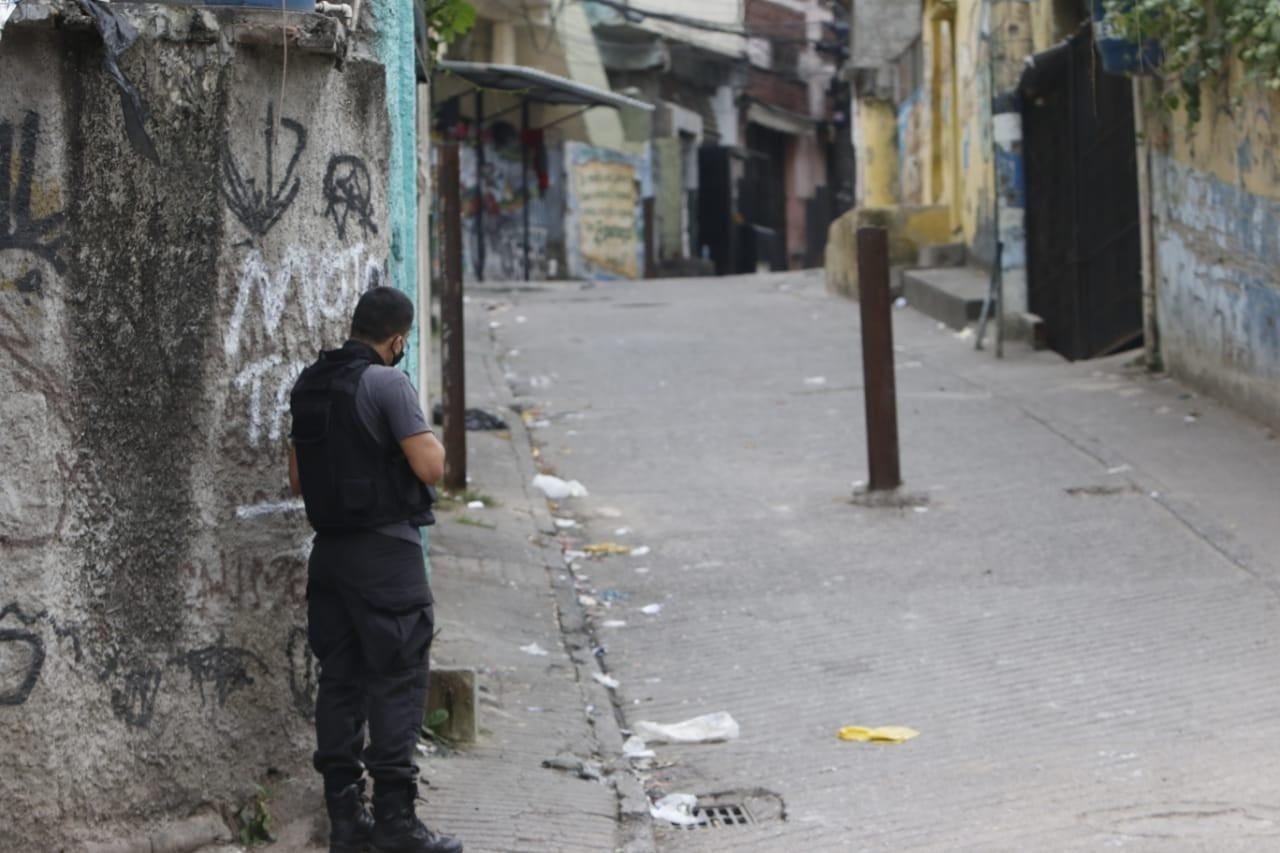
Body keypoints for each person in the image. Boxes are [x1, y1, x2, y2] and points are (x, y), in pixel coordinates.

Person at [288, 287, 462, 853]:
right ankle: (396, 824)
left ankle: (346, 821)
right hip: (386, 556)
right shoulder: (387, 382)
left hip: (330, 556)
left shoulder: (310, 384)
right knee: (396, 682)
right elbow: (431, 466)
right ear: (398, 339)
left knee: (341, 681)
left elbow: (297, 479)